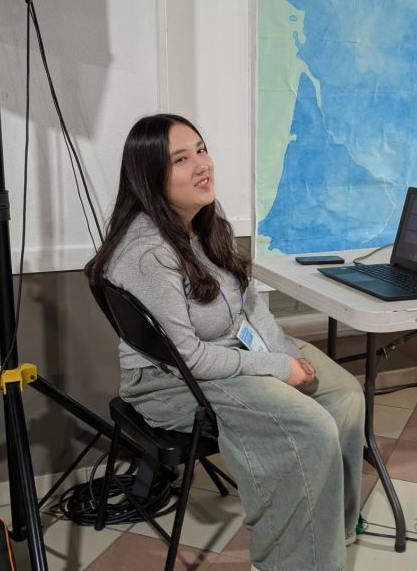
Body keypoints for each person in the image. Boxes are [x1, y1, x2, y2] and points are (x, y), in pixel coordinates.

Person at [84, 114, 365, 571]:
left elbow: (249, 305)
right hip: (170, 381)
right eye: (181, 159)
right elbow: (189, 358)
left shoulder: (206, 224)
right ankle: (294, 561)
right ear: (150, 177)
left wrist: (283, 354)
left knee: (345, 395)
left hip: (229, 352)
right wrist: (278, 370)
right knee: (309, 427)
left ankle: (332, 530)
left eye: (201, 149)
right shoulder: (148, 253)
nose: (202, 165)